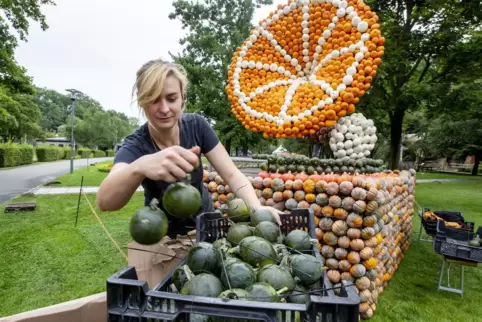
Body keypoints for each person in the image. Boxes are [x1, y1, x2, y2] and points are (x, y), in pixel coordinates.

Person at [97, 59, 282, 238]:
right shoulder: (136, 145)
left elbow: (232, 174)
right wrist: (140, 166)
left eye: (171, 98)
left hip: (206, 223)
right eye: (154, 100)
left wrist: (257, 208)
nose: (164, 108)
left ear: (182, 97)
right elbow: (105, 202)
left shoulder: (197, 126)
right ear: (142, 101)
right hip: (162, 235)